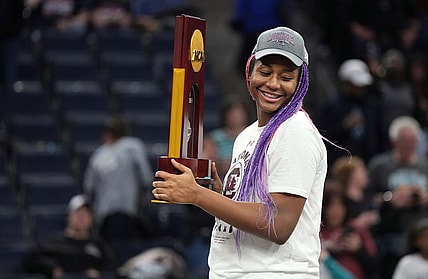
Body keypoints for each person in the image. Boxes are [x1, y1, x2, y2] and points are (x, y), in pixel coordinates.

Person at [152, 26, 328, 278]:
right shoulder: (248, 135)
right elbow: (251, 210)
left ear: (301, 83)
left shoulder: (294, 131)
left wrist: (198, 195)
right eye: (265, 72)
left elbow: (278, 224)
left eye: (286, 77)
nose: (273, 84)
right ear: (249, 72)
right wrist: (218, 192)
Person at [367, 115, 428, 279]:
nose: (410, 145)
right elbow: (366, 199)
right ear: (394, 141)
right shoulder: (380, 165)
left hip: (421, 236)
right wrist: (390, 199)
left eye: (413, 141)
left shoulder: (425, 166)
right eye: (405, 141)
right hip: (391, 235)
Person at [83, 114, 155, 244]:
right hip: (127, 210)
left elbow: (88, 187)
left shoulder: (99, 154)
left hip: (104, 213)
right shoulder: (133, 146)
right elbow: (146, 178)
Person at [24, 194, 117, 279]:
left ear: (91, 219)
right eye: (78, 213)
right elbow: (33, 260)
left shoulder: (98, 245)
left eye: (86, 214)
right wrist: (52, 268)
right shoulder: (54, 242)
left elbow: (112, 266)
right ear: (69, 216)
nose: (82, 217)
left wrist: (98, 272)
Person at [315, 59, 380, 166]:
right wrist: (343, 127)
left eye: (362, 87)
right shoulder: (330, 107)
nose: (360, 90)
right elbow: (321, 136)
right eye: (356, 86)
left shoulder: (370, 106)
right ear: (346, 84)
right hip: (337, 162)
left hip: (366, 162)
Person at [320, 188, 379, 279]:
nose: (337, 211)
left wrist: (359, 249)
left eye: (340, 205)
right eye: (331, 206)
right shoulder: (317, 232)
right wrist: (332, 249)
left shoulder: (357, 229)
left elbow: (375, 266)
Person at [203, 95, 253, 180]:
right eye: (231, 113)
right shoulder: (213, 138)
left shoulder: (254, 135)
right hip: (220, 178)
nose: (235, 116)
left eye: (239, 113)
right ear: (225, 115)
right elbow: (207, 162)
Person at [330, 156, 379, 230]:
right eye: (361, 171)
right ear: (352, 176)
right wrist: (359, 222)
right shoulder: (342, 201)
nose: (366, 174)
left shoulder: (369, 197)